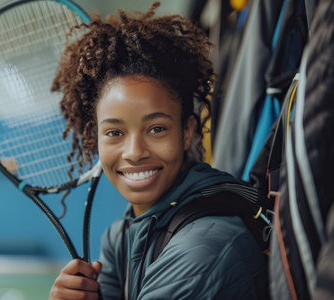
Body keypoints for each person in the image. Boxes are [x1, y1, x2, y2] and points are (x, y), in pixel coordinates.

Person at [49, 2, 269, 299]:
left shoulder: (203, 251)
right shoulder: (124, 234)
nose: (135, 151)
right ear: (95, 137)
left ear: (187, 131)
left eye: (156, 129)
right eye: (114, 132)